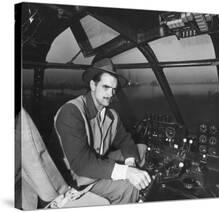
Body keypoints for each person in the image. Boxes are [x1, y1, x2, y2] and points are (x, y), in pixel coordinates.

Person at [53, 58, 151, 204]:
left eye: (114, 89)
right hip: (75, 176)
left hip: (96, 162)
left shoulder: (111, 115)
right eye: (106, 87)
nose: (111, 94)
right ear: (93, 85)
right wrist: (126, 173)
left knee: (139, 150)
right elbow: (82, 164)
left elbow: (125, 140)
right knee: (128, 187)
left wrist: (130, 164)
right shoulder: (71, 111)